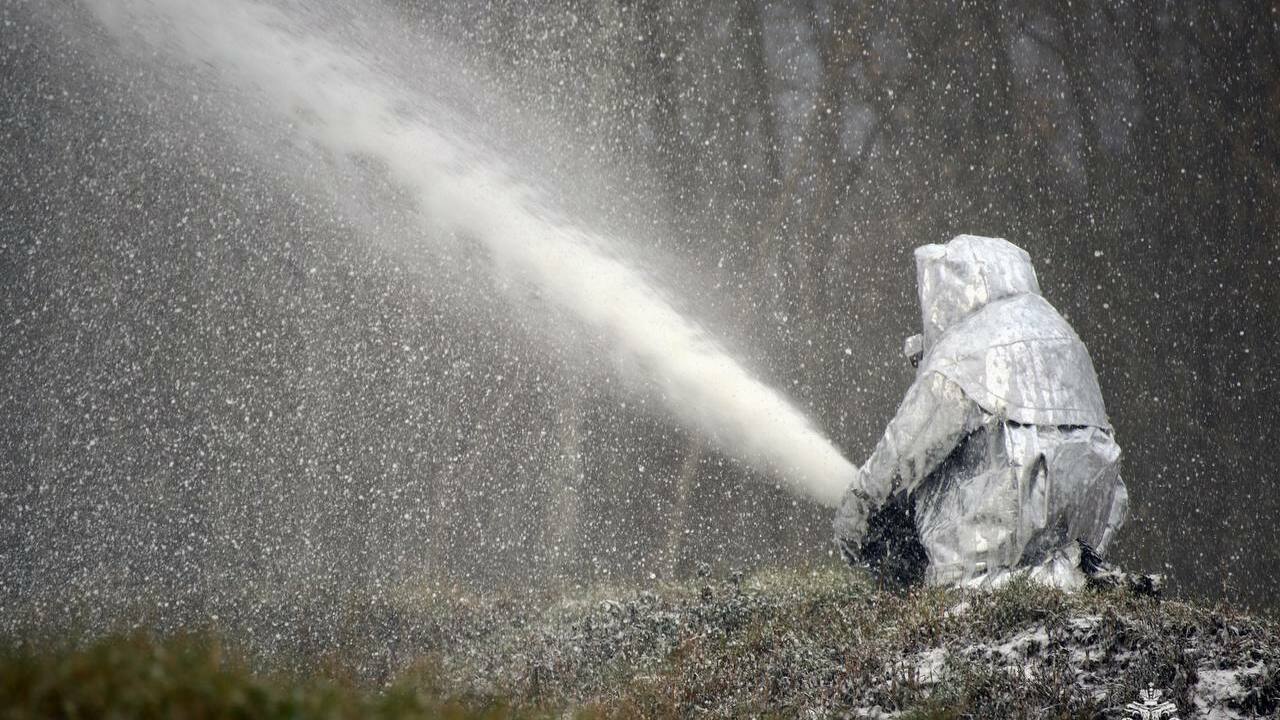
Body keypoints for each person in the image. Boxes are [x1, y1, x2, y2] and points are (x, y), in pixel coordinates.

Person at [833, 235, 1128, 589]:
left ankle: (992, 584)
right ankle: (1065, 573)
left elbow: (903, 449)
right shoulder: (1062, 337)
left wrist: (856, 513)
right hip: (1085, 517)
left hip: (999, 527)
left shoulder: (963, 351)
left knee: (919, 534)